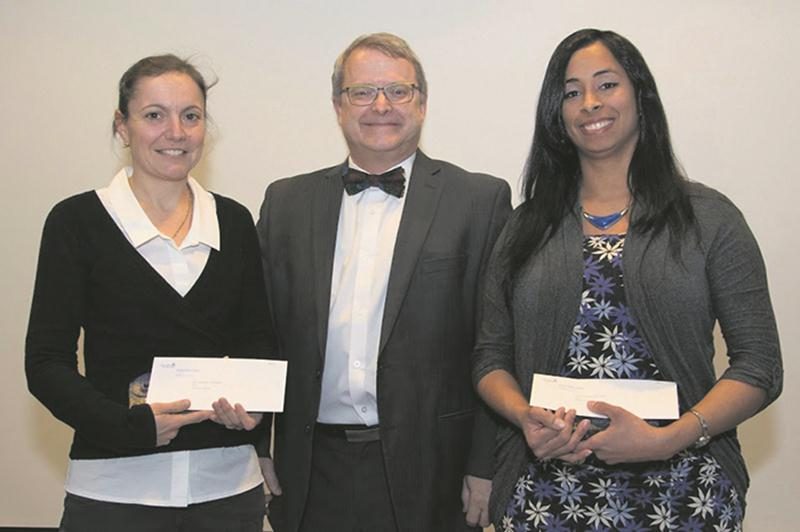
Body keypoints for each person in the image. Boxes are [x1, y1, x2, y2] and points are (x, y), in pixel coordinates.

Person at [473, 29, 782, 531]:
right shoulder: (524, 228)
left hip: (686, 493)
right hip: (546, 498)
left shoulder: (709, 218)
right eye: (571, 92)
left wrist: (671, 437)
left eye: (607, 85)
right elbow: (490, 356)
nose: (590, 103)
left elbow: (761, 364)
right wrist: (523, 416)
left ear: (641, 95)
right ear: (557, 113)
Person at [257, 32, 512, 532]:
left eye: (398, 90)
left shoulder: (478, 201)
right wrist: (256, 448)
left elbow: (496, 343)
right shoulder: (286, 202)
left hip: (435, 471)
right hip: (309, 470)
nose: (381, 106)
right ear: (337, 104)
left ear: (422, 102)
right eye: (362, 92)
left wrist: (484, 465)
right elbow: (263, 335)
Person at [25, 54, 275, 531]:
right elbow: (45, 363)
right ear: (123, 126)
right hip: (114, 490)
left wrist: (253, 406)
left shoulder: (235, 222)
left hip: (227, 491)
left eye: (191, 116)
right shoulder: (76, 223)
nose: (175, 132)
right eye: (154, 115)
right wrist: (130, 426)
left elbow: (258, 341)